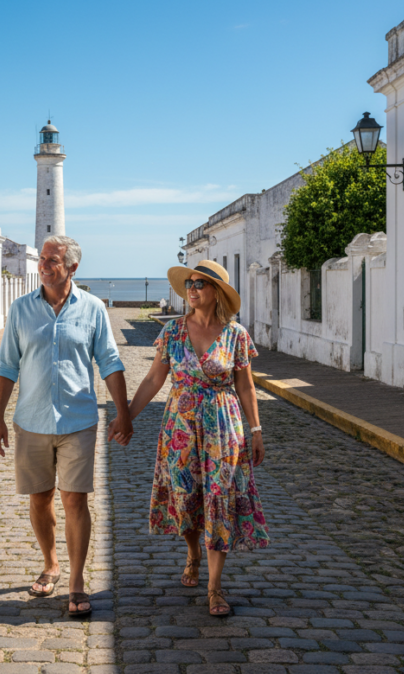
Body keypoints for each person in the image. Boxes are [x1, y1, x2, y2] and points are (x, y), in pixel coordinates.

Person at [0, 235, 133, 617]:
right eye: (42, 259)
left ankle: (76, 581)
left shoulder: (93, 309)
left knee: (75, 499)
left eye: (52, 260)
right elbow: (7, 366)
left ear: (72, 267)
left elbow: (110, 362)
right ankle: (50, 563)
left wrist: (124, 413)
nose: (43, 265)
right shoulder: (21, 309)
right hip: (32, 420)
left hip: (78, 421)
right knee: (40, 498)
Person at [127, 259, 269, 616]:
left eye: (200, 284)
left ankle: (215, 586)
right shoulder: (173, 332)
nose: (192, 289)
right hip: (180, 427)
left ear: (216, 291)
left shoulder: (236, 335)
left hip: (223, 425)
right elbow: (152, 380)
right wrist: (126, 416)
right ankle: (192, 555)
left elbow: (246, 386)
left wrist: (256, 430)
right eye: (189, 283)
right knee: (186, 494)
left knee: (218, 498)